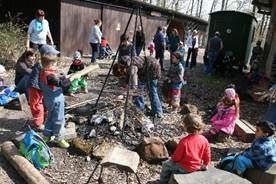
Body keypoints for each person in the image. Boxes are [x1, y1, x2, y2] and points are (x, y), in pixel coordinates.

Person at [160, 113, 211, 184]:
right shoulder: (204, 140)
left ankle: (163, 182)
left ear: (186, 127)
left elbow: (176, 158)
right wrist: (205, 164)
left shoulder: (184, 141)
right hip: (197, 166)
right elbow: (207, 154)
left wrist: (172, 158)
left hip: (184, 167)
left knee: (166, 165)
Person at [39, 55, 72, 148]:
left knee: (50, 116)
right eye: (54, 64)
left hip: (48, 99)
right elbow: (61, 84)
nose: (56, 66)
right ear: (50, 65)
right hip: (56, 100)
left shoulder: (43, 71)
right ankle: (59, 138)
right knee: (59, 119)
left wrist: (63, 76)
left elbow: (56, 78)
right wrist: (70, 80)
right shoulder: (50, 76)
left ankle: (47, 135)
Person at [28, 44, 60, 131]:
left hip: (42, 87)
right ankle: (38, 123)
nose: (55, 56)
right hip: (35, 87)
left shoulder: (45, 64)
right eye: (53, 54)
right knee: (36, 105)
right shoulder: (40, 65)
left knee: (43, 103)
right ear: (46, 56)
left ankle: (43, 119)